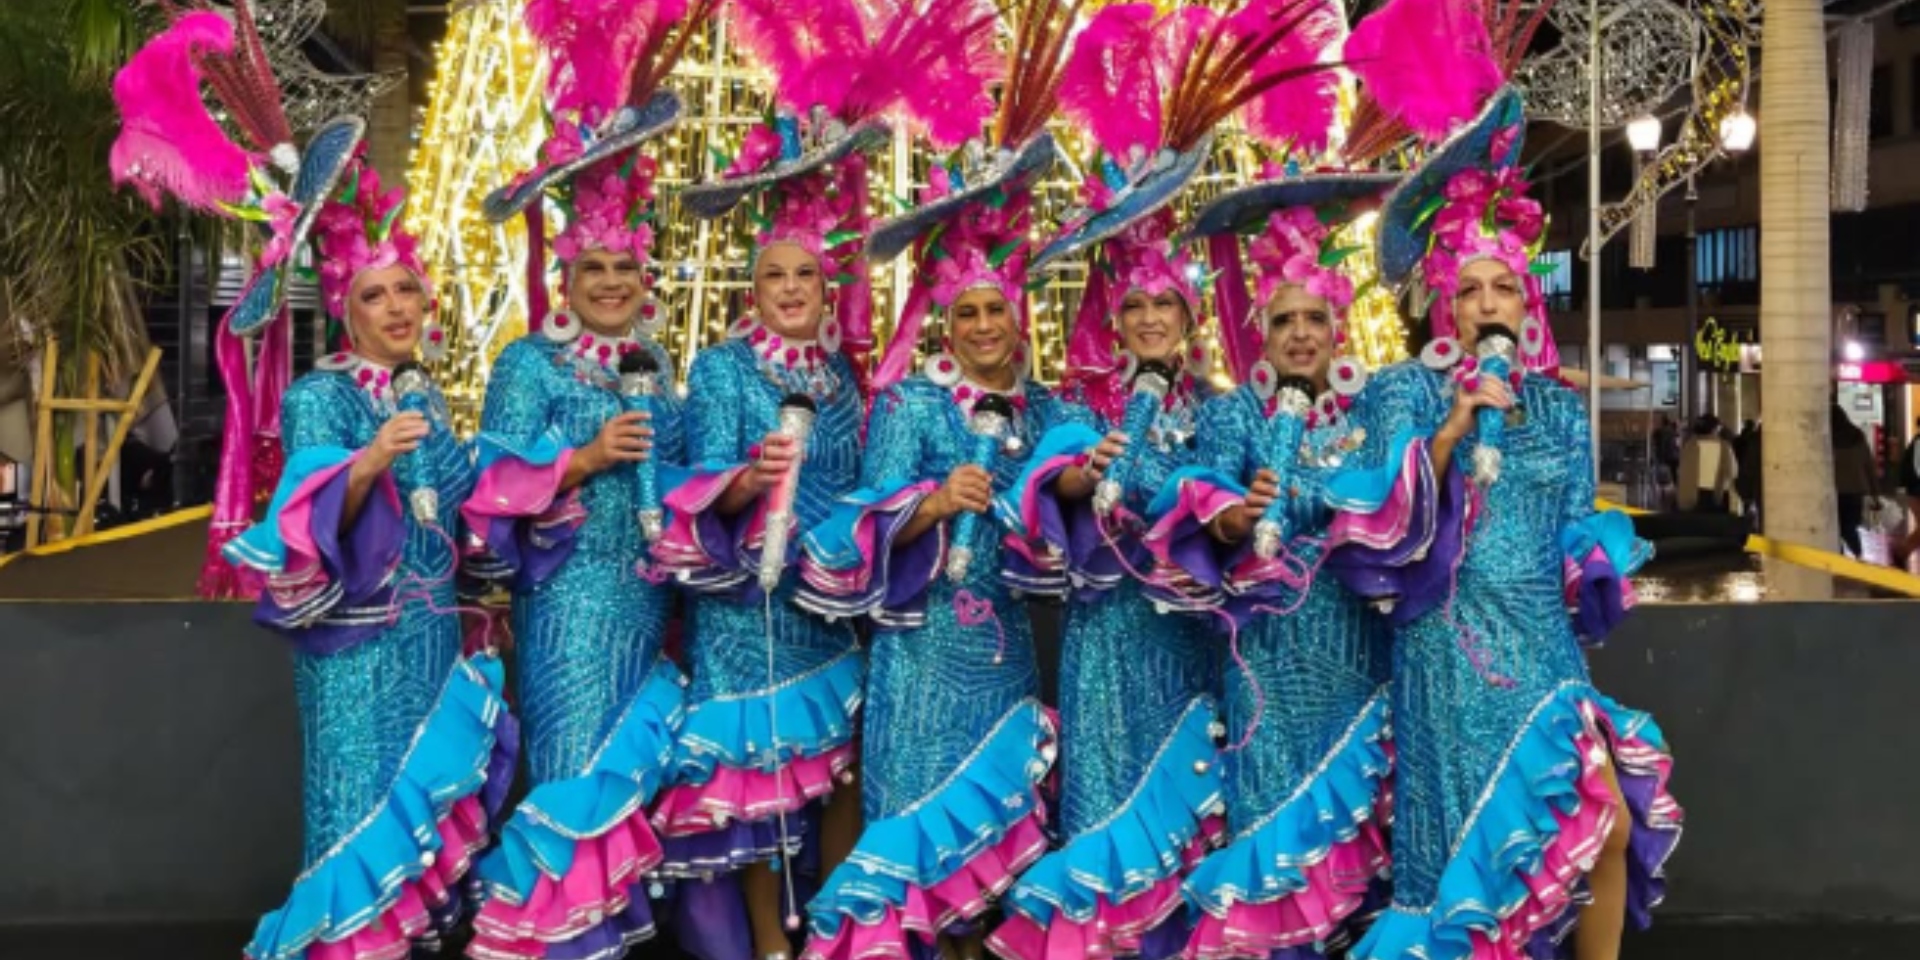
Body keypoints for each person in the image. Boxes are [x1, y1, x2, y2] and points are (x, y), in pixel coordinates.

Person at [113, 12, 518, 958]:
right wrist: (371, 460)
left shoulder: (427, 391)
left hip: (428, 636)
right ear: (348, 306)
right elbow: (303, 516)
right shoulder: (322, 398)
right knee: (354, 812)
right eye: (375, 295)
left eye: (408, 292)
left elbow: (454, 501)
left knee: (422, 821)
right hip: (354, 645)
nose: (397, 308)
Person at [1338, 86, 1681, 960]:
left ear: (1526, 306)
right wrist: (1453, 428)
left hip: (1542, 651)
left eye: (1504, 288)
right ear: (1446, 308)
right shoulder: (1404, 392)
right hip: (1445, 650)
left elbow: (1571, 523)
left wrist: (1594, 560)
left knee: (1599, 823)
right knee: (1472, 861)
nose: (1488, 303)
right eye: (1470, 290)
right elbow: (1378, 516)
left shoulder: (1561, 412)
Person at [796, 98, 1091, 959]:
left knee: (996, 844)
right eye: (968, 316)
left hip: (1011, 654)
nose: (985, 328)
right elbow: (857, 521)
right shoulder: (910, 403)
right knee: (918, 842)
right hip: (922, 654)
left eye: (997, 311)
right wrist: (932, 502)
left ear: (1018, 316)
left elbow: (1072, 499)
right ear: (944, 326)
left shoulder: (1052, 407)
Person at [460, 6, 704, 954]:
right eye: (592, 266)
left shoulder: (652, 361)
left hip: (645, 605)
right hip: (565, 606)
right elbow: (489, 482)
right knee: (570, 777)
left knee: (625, 790)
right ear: (564, 277)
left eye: (624, 267)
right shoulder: (532, 363)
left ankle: (601, 940)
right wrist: (588, 460)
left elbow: (676, 472)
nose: (609, 281)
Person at [1832, 401, 1880, 558]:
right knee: (1849, 527)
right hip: (1856, 490)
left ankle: (1844, 558)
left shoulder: (1827, 439)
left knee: (1836, 528)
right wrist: (1875, 494)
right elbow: (1869, 466)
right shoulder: (1857, 436)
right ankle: (1857, 554)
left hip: (1835, 491)